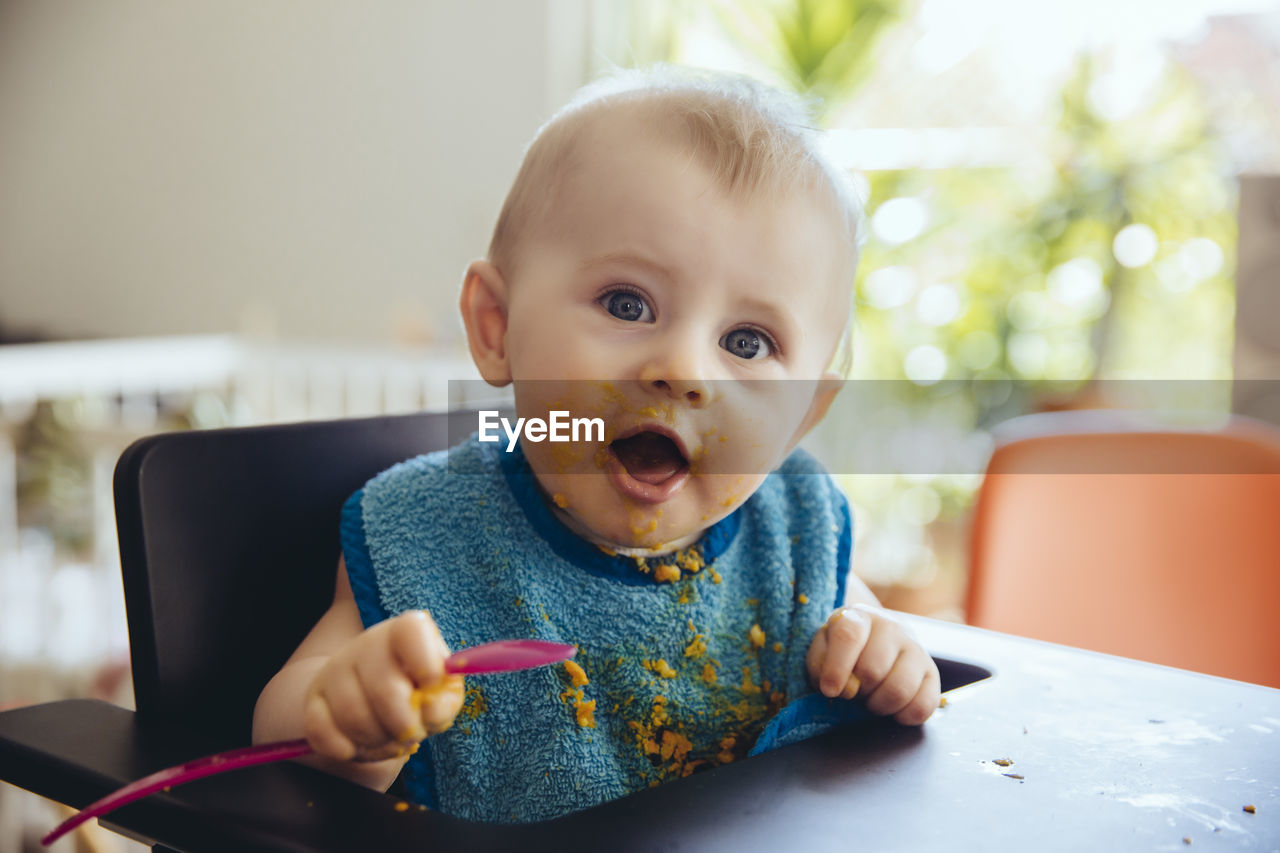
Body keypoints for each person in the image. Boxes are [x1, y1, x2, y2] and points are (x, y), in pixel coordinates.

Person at [253, 65, 940, 823]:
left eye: (748, 341)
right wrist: (348, 717)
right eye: (627, 302)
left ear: (802, 417)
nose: (683, 370)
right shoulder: (431, 532)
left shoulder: (797, 533)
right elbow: (283, 729)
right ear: (496, 327)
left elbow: (854, 627)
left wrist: (885, 655)